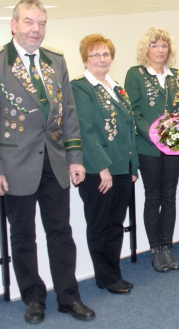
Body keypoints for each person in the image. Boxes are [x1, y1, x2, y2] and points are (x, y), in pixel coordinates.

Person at [0, 0, 95, 323]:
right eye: (28, 22)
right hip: (15, 165)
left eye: (41, 23)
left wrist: (74, 157)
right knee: (23, 235)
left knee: (61, 232)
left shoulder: (55, 60)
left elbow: (68, 111)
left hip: (54, 162)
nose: (36, 30)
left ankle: (68, 296)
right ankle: (33, 297)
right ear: (13, 25)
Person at [71, 34, 138, 294]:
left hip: (123, 169)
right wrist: (102, 168)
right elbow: (85, 131)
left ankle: (114, 273)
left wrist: (133, 167)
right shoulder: (81, 87)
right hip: (98, 171)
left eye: (106, 54)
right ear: (85, 59)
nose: (102, 59)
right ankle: (105, 277)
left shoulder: (115, 86)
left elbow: (128, 127)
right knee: (100, 225)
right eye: (95, 54)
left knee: (115, 224)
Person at [125, 28, 179, 272]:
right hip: (148, 147)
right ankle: (155, 250)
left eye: (164, 45)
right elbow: (133, 111)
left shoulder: (176, 76)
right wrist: (155, 135)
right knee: (153, 197)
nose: (160, 50)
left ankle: (167, 248)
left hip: (173, 148)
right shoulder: (136, 74)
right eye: (155, 45)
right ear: (146, 49)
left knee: (169, 196)